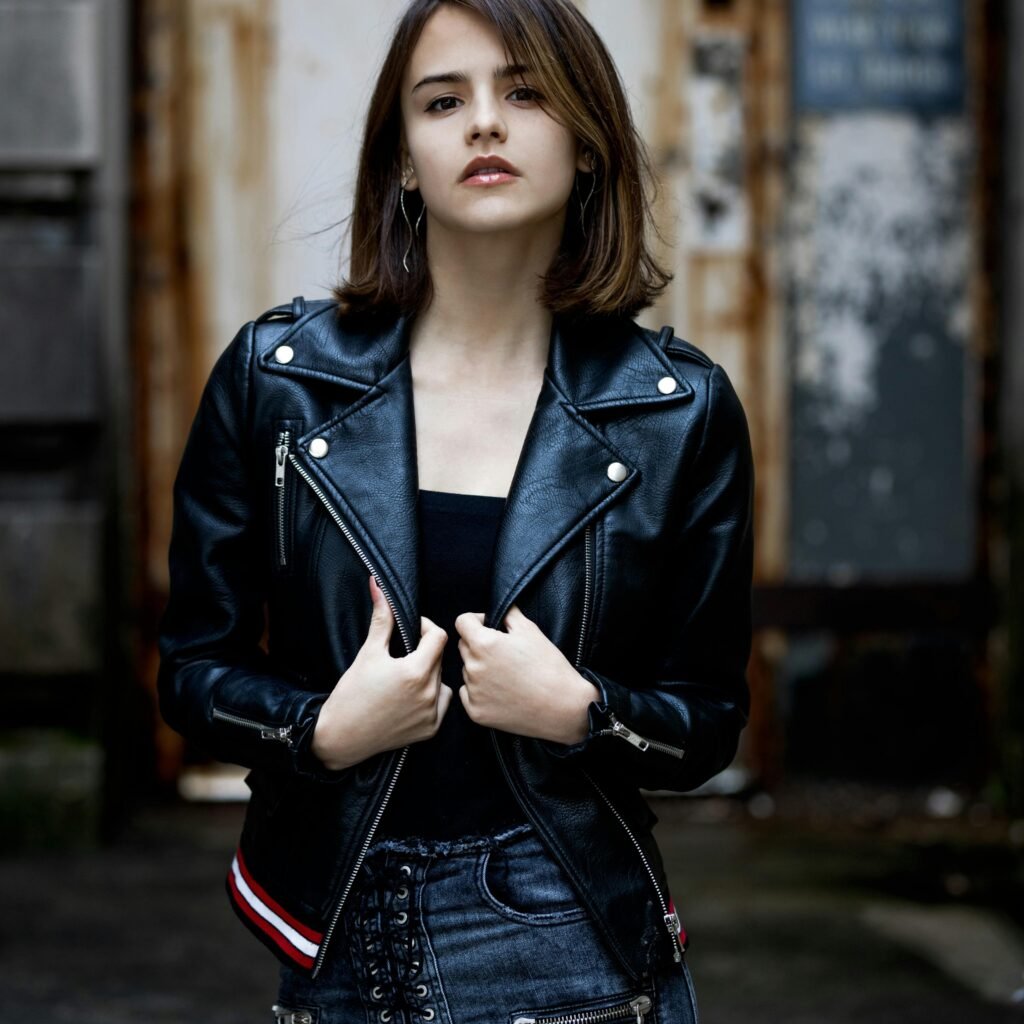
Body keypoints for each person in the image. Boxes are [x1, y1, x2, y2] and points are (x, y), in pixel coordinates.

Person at [157, 0, 755, 1021]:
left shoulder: (677, 412)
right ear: (402, 158)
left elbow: (704, 721)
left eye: (524, 92)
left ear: (587, 142)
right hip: (334, 933)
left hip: (566, 943)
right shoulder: (277, 382)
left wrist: (583, 713)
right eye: (444, 100)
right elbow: (191, 672)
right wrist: (319, 730)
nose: (484, 122)